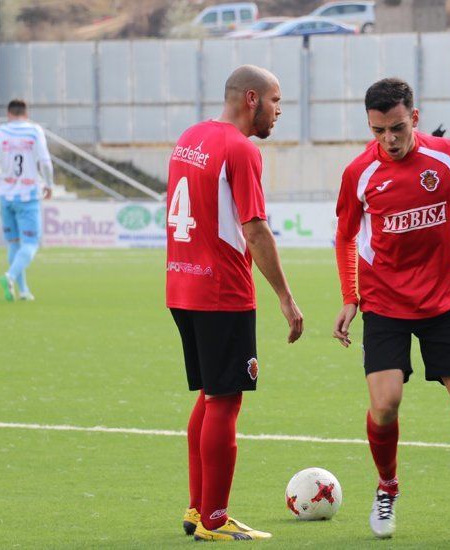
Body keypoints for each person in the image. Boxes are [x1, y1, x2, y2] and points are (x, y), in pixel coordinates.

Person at [332, 77, 450, 541]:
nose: (389, 141)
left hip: (443, 300)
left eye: (396, 128)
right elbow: (345, 236)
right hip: (385, 304)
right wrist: (350, 297)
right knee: (386, 404)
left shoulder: (448, 156)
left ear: (414, 117)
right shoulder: (359, 173)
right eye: (378, 131)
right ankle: (387, 485)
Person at [166, 65, 304, 542]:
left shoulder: (191, 136)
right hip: (221, 291)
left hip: (182, 286)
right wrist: (286, 298)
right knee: (226, 402)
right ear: (252, 98)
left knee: (210, 396)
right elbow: (255, 228)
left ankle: (197, 508)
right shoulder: (240, 149)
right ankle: (215, 519)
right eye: (276, 100)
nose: (279, 110)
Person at [0, 99, 54, 302]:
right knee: (30, 243)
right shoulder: (34, 132)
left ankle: (23, 291)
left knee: (13, 243)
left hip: (6, 196)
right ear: (26, 112)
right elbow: (46, 163)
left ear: (8, 113)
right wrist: (49, 184)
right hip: (28, 195)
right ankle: (10, 276)